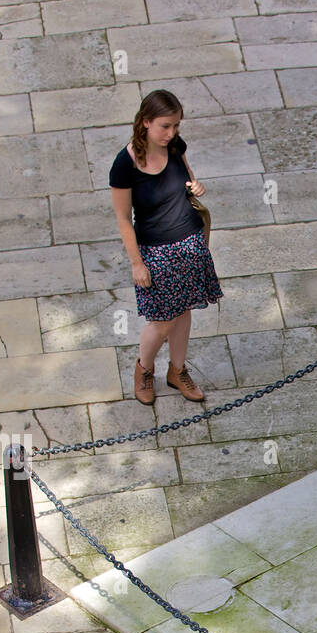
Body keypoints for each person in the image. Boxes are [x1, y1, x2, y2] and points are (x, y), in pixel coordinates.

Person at [109, 89, 223, 405]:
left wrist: (196, 185)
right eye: (165, 126)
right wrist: (136, 263)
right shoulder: (125, 164)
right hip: (155, 251)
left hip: (189, 240)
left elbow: (187, 179)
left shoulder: (174, 146)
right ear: (145, 122)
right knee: (161, 322)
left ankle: (177, 371)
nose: (171, 133)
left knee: (183, 310)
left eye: (175, 126)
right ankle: (144, 371)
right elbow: (122, 218)